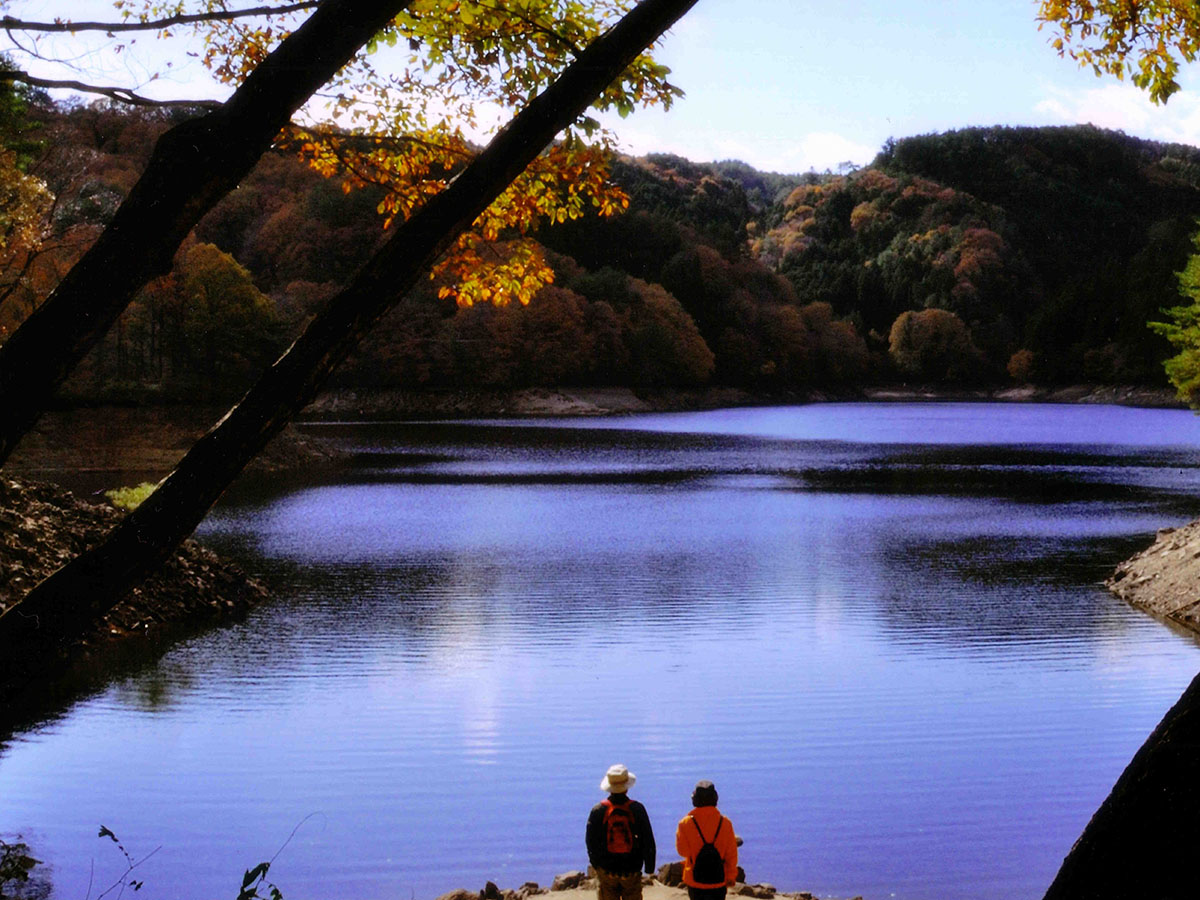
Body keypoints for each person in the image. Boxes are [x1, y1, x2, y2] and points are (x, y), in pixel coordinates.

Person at [586, 764, 657, 900]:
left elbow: (590, 841)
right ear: (627, 786)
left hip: (607, 870)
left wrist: (596, 864)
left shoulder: (598, 810)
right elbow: (648, 840)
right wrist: (649, 867)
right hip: (631, 869)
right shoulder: (637, 809)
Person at [675, 780, 738, 900]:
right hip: (718, 880)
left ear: (695, 800)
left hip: (695, 880)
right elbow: (731, 854)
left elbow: (683, 852)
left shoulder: (685, 823)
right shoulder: (725, 823)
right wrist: (731, 876)